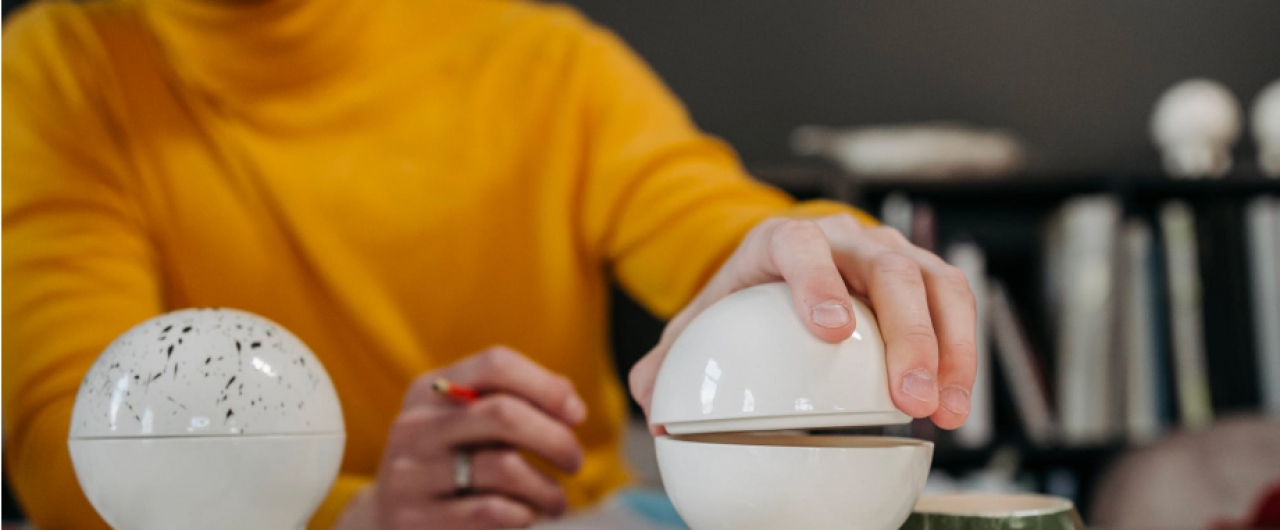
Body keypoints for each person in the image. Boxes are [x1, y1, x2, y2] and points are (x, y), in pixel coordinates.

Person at [1, 0, 977, 528]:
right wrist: (361, 516)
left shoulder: (543, 60)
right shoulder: (58, 69)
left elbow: (706, 218)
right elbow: (73, 438)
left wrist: (799, 249)